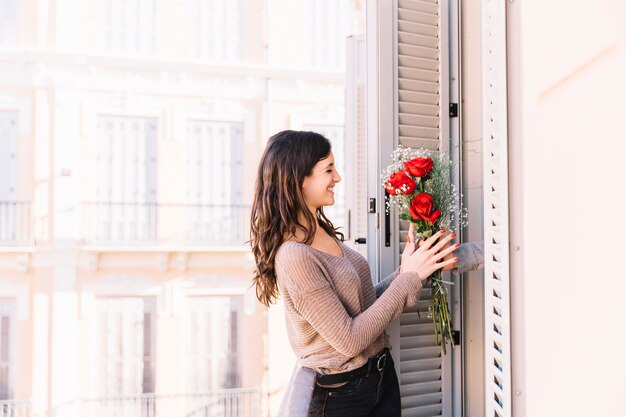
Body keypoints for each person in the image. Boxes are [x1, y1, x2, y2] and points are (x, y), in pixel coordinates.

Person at [250, 130, 483, 417]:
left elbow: (364, 306)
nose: (337, 178)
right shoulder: (295, 256)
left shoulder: (320, 231)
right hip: (341, 397)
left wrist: (408, 269)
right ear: (298, 180)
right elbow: (349, 339)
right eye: (328, 170)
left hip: (380, 376)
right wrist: (409, 277)